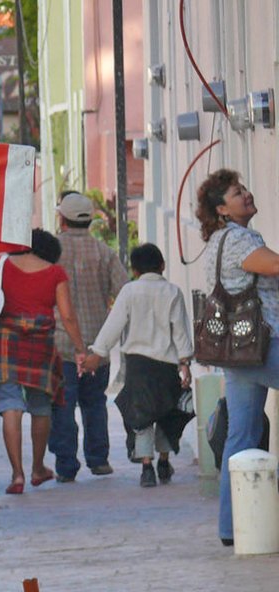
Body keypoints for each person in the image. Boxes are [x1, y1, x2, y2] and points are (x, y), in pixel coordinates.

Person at [0, 228, 86, 495]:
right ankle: (38, 468)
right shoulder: (55, 273)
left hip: (4, 342)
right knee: (41, 406)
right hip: (40, 345)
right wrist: (80, 348)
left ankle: (17, 475)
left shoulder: (1, 264)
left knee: (10, 405)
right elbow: (68, 316)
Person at [193, 169, 279, 545]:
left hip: (236, 351)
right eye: (236, 192)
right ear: (221, 209)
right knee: (241, 436)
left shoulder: (216, 241)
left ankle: (234, 529)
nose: (246, 194)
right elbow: (274, 265)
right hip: (261, 344)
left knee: (241, 438)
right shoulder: (240, 238)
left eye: (244, 188)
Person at [82, 243, 194, 487]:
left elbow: (114, 325)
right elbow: (181, 332)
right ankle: (164, 462)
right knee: (166, 412)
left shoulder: (129, 291)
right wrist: (184, 363)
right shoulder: (173, 292)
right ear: (162, 265)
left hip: (138, 366)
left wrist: (97, 353)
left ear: (134, 270)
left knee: (141, 415)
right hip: (166, 365)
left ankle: (146, 468)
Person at [48, 192, 129, 481]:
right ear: (90, 220)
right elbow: (125, 292)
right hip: (97, 346)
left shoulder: (51, 252)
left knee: (63, 406)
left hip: (59, 344)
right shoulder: (104, 253)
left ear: (62, 218)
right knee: (95, 404)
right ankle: (99, 459)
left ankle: (66, 466)